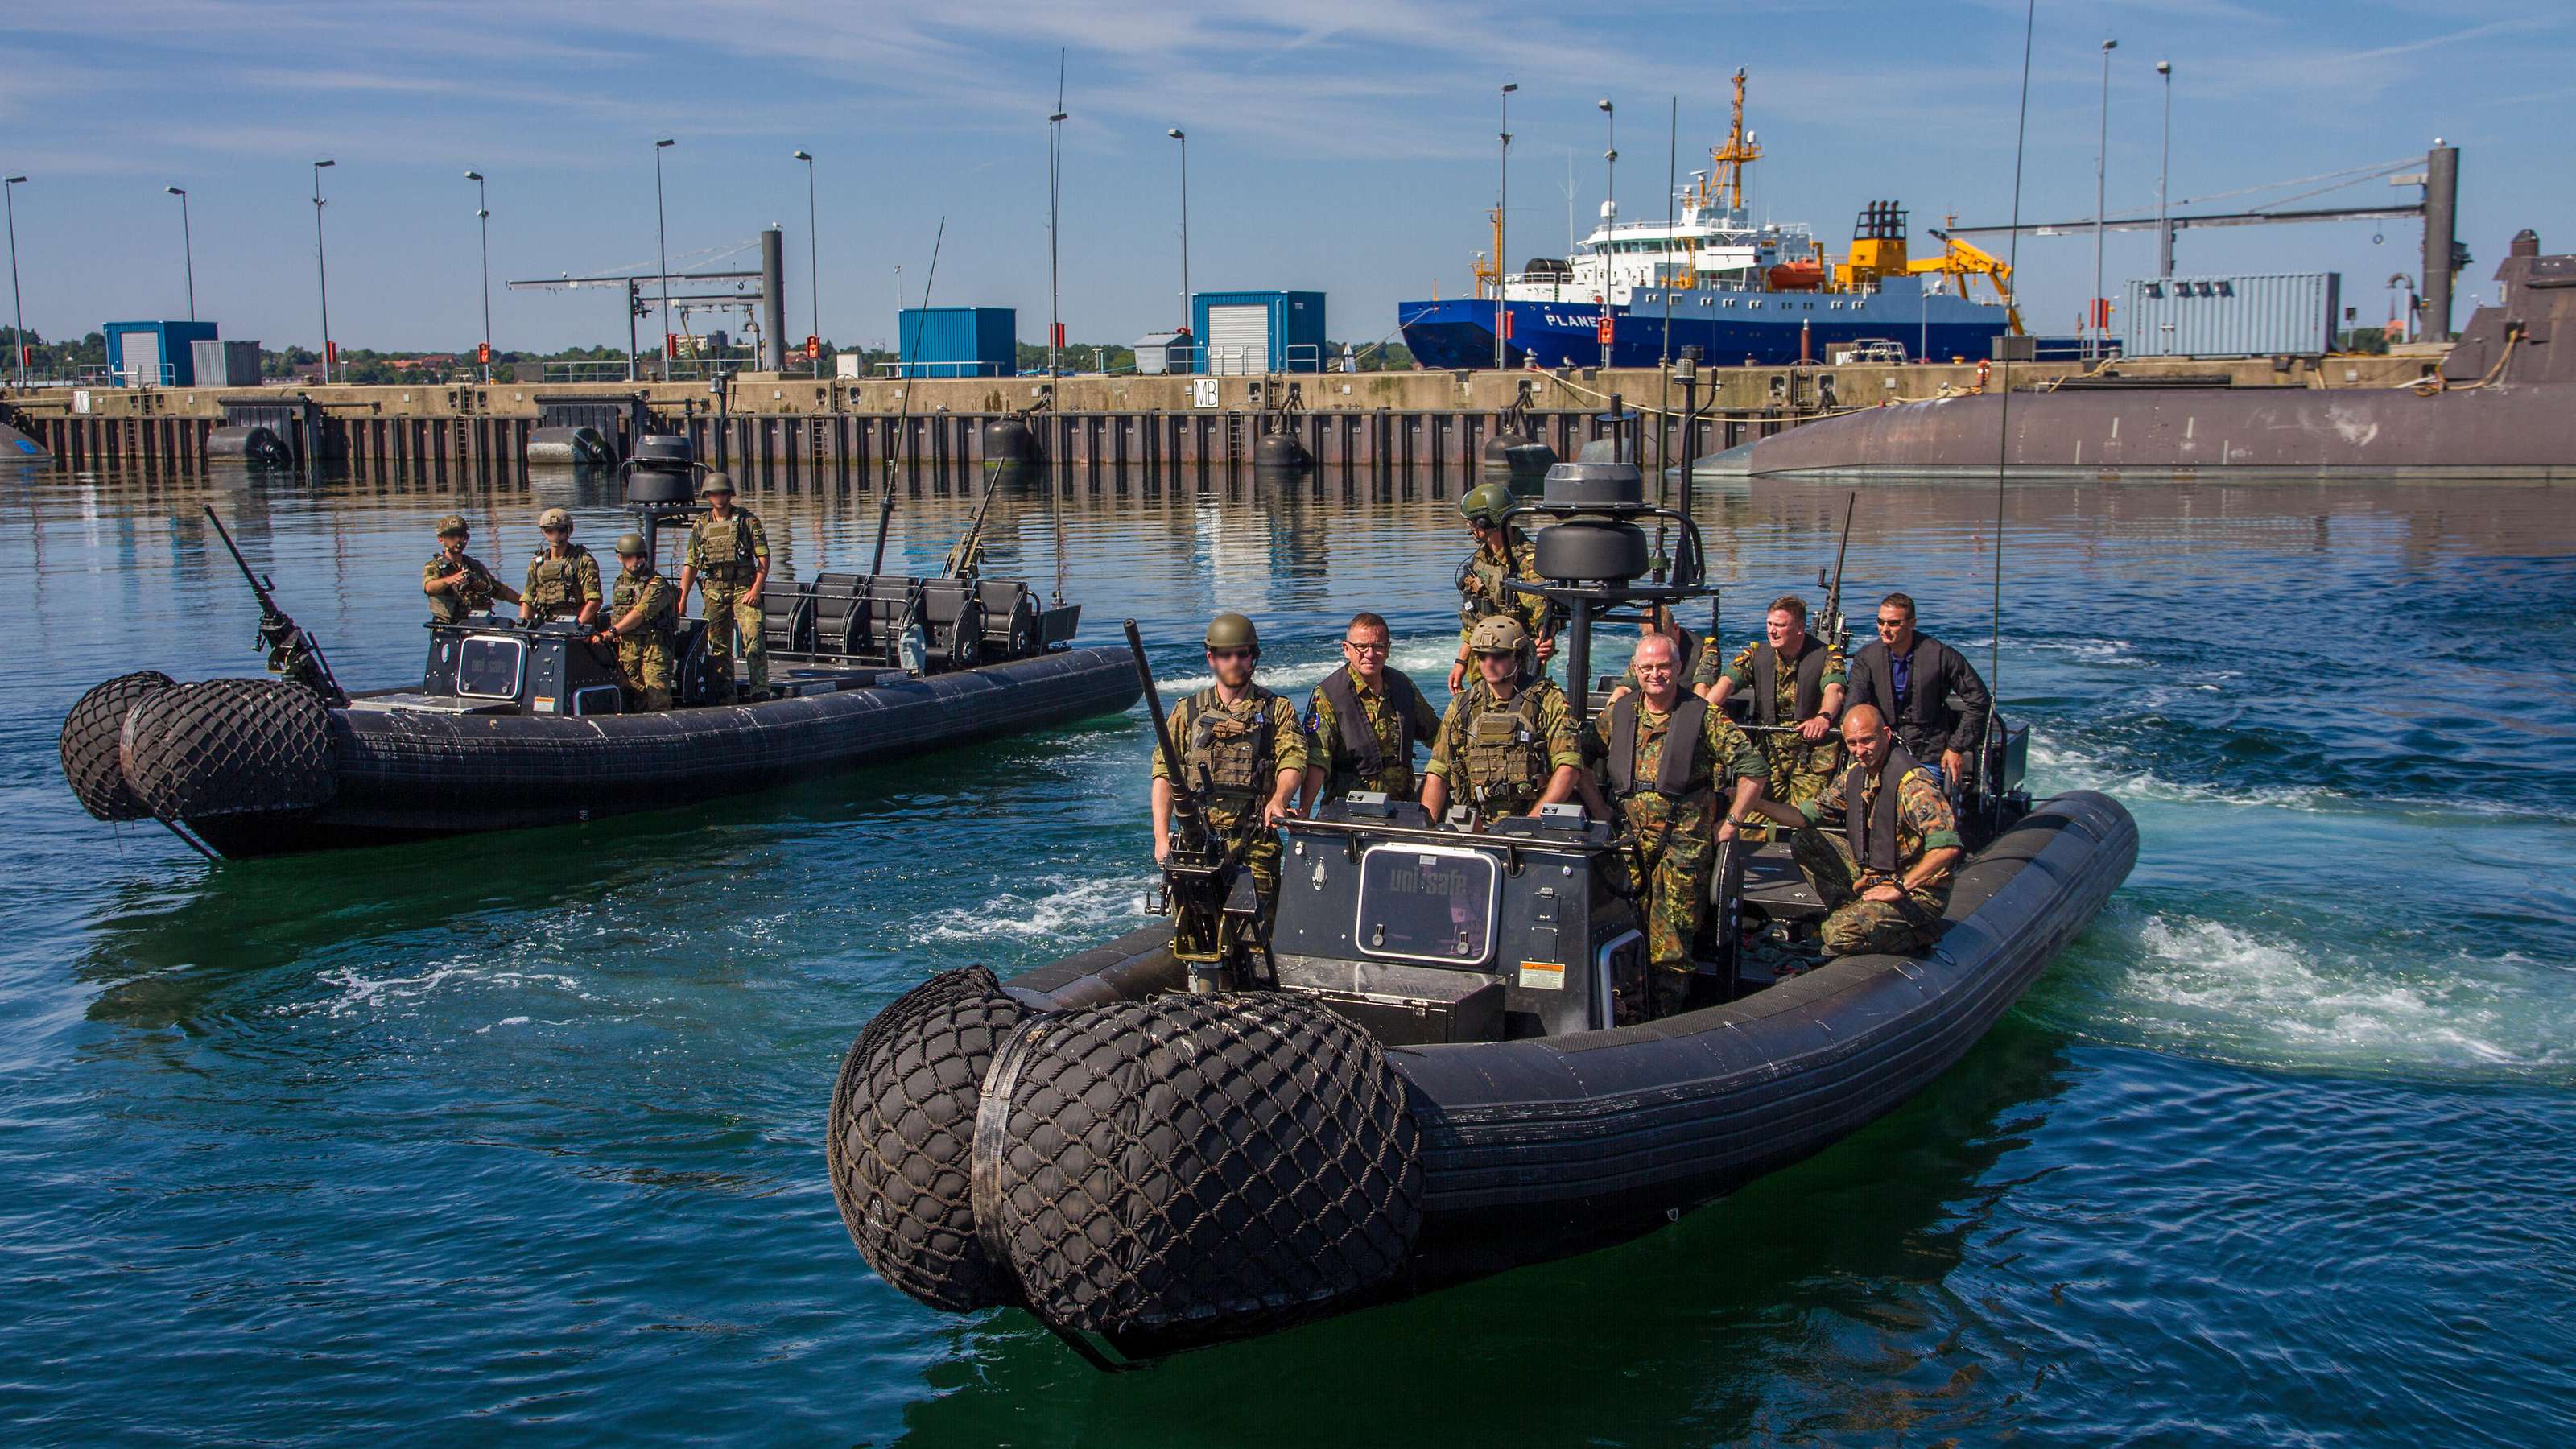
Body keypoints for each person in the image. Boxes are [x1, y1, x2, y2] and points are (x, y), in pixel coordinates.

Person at [1595, 632, 1772, 1018]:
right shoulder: (1619, 714)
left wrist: (1733, 822)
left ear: (1677, 668)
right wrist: (1598, 809)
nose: (1655, 675)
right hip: (1629, 845)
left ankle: (1666, 1022)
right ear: (1635, 671)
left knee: (1672, 945)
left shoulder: (1703, 717)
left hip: (1682, 848)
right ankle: (1625, 1013)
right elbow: (1579, 758)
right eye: (1647, 668)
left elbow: (1754, 769)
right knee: (1622, 930)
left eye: (1663, 667)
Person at [1742, 704, 1963, 958]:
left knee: (1836, 935)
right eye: (1853, 743)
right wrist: (1753, 801)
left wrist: (1900, 887)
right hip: (1877, 877)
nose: (1860, 751)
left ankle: (1919, 932)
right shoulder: (1856, 777)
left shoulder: (1914, 785)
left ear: (1886, 735)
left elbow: (1947, 847)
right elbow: (1803, 816)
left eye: (1867, 741)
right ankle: (1851, 912)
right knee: (1806, 840)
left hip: (1917, 893)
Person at [1149, 613, 1307, 915]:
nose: (1233, 662)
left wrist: (1279, 799)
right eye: (1224, 655)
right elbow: (1164, 774)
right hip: (1198, 841)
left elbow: (1293, 760)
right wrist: (1160, 838)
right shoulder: (1188, 712)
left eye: (1241, 654)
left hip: (1255, 843)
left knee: (1259, 932)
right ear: (1211, 658)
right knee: (1197, 932)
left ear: (1253, 657)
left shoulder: (1277, 710)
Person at [1422, 617, 1600, 825]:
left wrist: (1532, 823)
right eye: (1481, 656)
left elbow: (1569, 766)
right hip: (1477, 822)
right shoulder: (1464, 705)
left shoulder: (1547, 699)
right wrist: (1428, 825)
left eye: (1498, 656)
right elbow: (1438, 770)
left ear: (1518, 655)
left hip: (1535, 822)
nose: (1489, 663)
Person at [1702, 594, 1847, 815]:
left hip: (1811, 755)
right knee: (1752, 815)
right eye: (1769, 624)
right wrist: (1703, 712)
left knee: (1803, 815)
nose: (1772, 630)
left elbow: (1834, 689)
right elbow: (1727, 682)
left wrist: (1823, 717)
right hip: (1770, 752)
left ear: (1799, 627)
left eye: (1779, 625)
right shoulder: (1757, 654)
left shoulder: (1826, 656)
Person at [1843, 592, 1992, 790]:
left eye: (1893, 623)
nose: (1885, 629)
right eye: (1881, 622)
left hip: (1930, 750)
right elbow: (1854, 705)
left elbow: (1979, 700)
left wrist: (1956, 747)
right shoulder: (1866, 659)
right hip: (1881, 748)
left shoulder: (1941, 655)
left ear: (1912, 623)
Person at [1303, 611, 1441, 809]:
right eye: (1361, 647)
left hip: (1402, 807)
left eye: (1378, 646)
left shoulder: (1402, 686)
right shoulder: (1329, 694)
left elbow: (1437, 736)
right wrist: (1305, 810)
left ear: (1388, 649)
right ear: (1346, 649)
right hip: (1348, 810)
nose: (1370, 654)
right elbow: (1317, 758)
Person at [1447, 483, 1558, 691]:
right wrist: (1461, 661)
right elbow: (1473, 619)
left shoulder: (1526, 561)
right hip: (1481, 661)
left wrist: (1547, 638)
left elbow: (1543, 606)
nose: (1470, 527)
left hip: (1514, 665)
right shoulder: (1481, 559)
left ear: (1485, 522)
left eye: (1472, 521)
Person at [676, 472, 769, 703]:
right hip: (714, 590)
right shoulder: (701, 525)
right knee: (719, 646)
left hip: (743, 588)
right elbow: (691, 563)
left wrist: (756, 589)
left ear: (730, 495)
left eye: (723, 493)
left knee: (754, 638)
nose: (719, 497)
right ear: (708, 496)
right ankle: (727, 694)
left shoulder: (747, 521)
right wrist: (683, 598)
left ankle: (760, 690)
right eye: (715, 493)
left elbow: (764, 559)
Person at [592, 532, 679, 711]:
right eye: (630, 557)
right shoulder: (620, 583)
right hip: (629, 651)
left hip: (654, 650)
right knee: (635, 700)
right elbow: (619, 613)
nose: (637, 561)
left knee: (658, 700)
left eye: (641, 556)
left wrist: (613, 631)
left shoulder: (657, 584)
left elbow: (640, 613)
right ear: (620, 558)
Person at [422, 514, 521, 624]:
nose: (458, 540)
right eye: (452, 536)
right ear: (441, 539)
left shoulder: (475, 567)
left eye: (462, 535)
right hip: (449, 628)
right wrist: (449, 580)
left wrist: (525, 603)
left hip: (478, 625)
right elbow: (429, 587)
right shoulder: (435, 567)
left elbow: (500, 591)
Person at [1604, 603, 1703, 703]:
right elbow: (1625, 687)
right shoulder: (1647, 650)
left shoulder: (1703, 650)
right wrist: (1611, 708)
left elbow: (1702, 691)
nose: (1656, 647)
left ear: (1676, 628)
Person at [522, 506, 602, 625]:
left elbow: (594, 601)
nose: (555, 535)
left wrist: (576, 626)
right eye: (550, 530)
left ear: (568, 530)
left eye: (560, 530)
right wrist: (523, 626)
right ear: (543, 532)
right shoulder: (537, 563)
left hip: (577, 624)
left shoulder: (583, 561)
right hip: (546, 625)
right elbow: (527, 599)